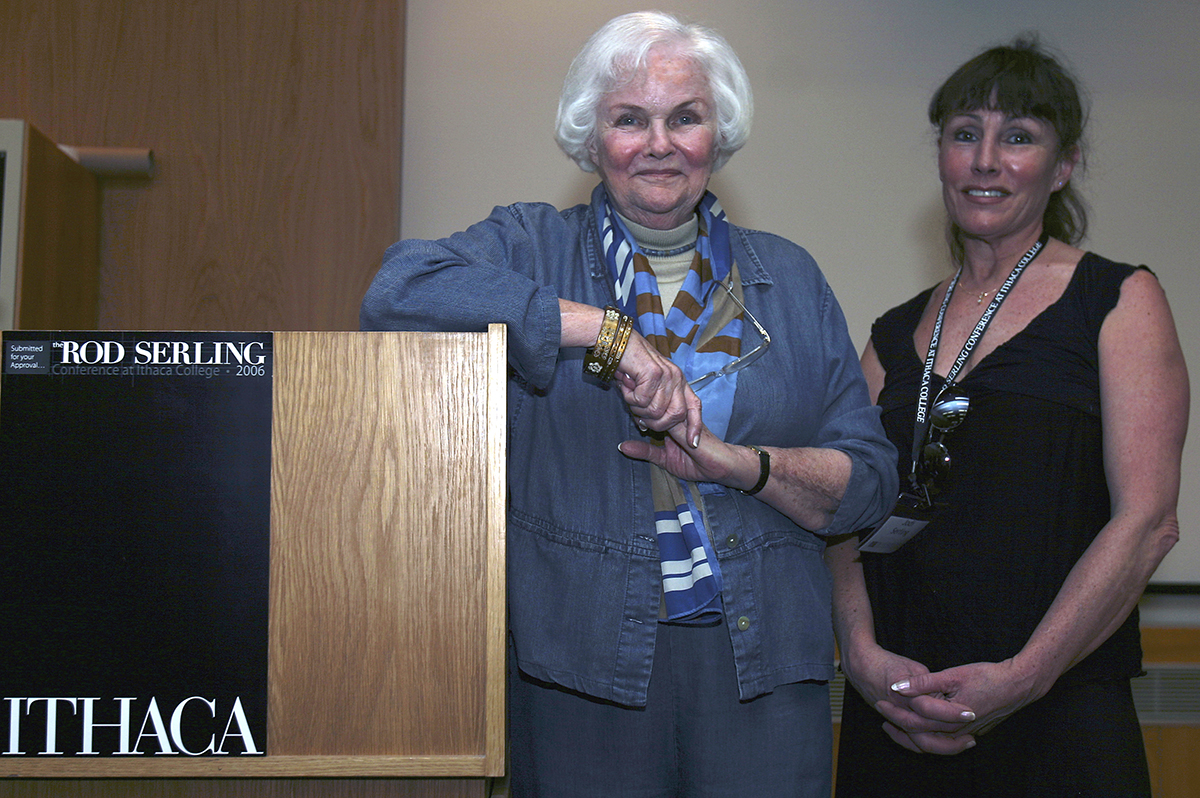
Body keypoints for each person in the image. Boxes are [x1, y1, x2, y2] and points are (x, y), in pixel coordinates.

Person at [360, 11, 897, 797]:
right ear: (591, 136)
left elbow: (870, 482)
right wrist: (604, 333)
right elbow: (395, 291)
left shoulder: (791, 277)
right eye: (629, 119)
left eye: (685, 117)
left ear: (719, 132)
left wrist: (739, 465)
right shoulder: (531, 246)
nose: (659, 143)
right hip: (580, 664)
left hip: (766, 665)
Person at [829, 37, 1189, 797]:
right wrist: (859, 656)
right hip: (897, 713)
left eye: (1018, 136)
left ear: (1062, 166)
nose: (985, 160)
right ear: (942, 156)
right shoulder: (892, 332)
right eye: (966, 134)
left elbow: (1149, 522)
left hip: (1057, 712)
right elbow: (842, 511)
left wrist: (1023, 678)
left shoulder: (1115, 301)